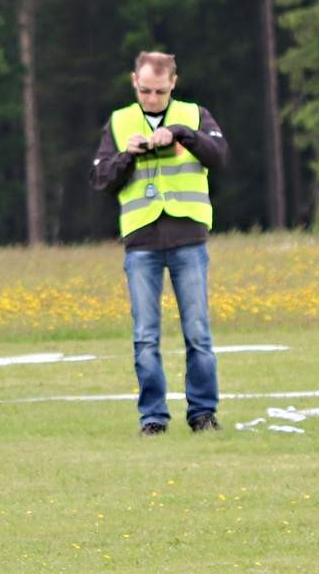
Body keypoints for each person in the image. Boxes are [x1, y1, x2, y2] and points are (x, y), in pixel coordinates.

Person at [90, 50, 229, 436]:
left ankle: (203, 413)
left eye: (160, 92)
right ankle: (153, 417)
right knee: (145, 337)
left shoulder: (194, 115)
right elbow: (100, 178)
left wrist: (183, 134)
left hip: (188, 239)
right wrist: (127, 156)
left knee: (197, 332)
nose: (152, 99)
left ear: (173, 84)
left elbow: (219, 156)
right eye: (145, 91)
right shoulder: (119, 122)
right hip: (141, 243)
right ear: (134, 82)